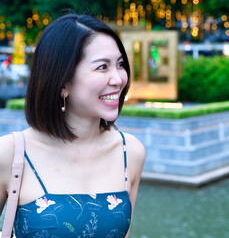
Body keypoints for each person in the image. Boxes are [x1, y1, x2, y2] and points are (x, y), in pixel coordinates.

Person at [0, 14, 145, 237]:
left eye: (120, 64)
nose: (118, 79)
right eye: (102, 67)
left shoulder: (130, 151)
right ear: (62, 81)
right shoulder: (11, 153)